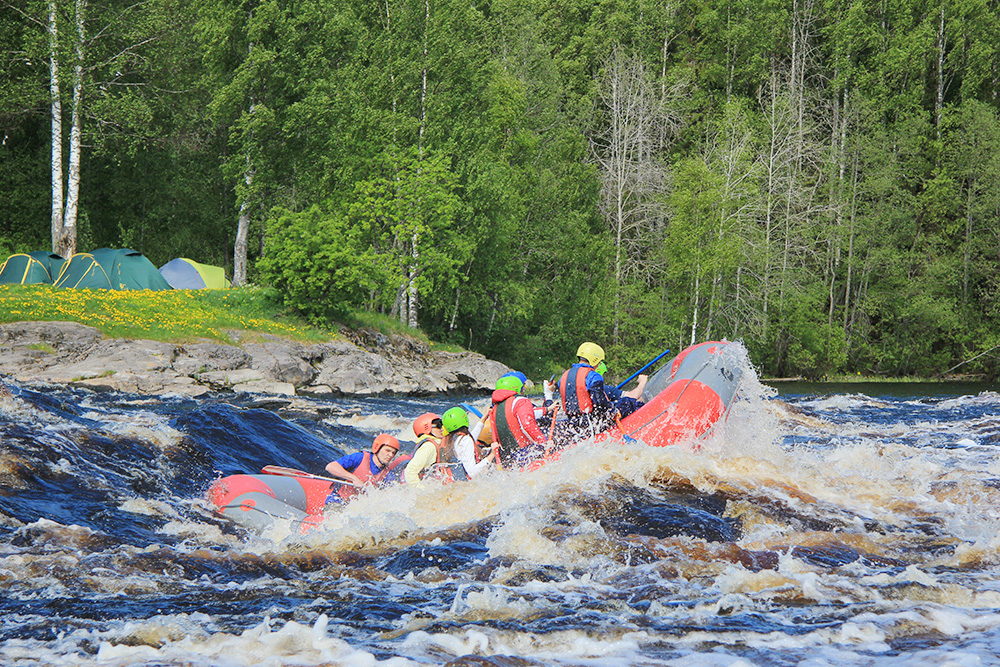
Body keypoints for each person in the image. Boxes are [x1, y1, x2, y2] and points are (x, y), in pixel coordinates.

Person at [557, 341, 647, 438]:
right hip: (593, 423)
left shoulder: (564, 377)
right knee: (627, 402)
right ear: (594, 359)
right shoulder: (593, 376)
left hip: (575, 423)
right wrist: (613, 411)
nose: (598, 365)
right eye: (599, 362)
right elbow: (600, 404)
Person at [488, 374, 549, 466]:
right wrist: (544, 443)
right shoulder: (521, 401)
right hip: (526, 452)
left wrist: (546, 410)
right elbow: (527, 425)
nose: (523, 390)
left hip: (509, 456)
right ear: (516, 388)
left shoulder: (495, 407)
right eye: (522, 387)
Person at [325, 433, 400, 502]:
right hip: (337, 500)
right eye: (387, 450)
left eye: (393, 453)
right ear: (377, 448)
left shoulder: (387, 474)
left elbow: (392, 492)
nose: (390, 455)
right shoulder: (359, 457)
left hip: (354, 509)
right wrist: (354, 479)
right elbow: (330, 467)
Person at [440, 406, 496, 479]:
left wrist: (484, 417)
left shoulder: (455, 440)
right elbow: (472, 472)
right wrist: (492, 455)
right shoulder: (465, 440)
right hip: (469, 483)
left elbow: (472, 437)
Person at [402, 412, 450, 487]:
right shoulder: (429, 446)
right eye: (438, 425)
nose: (442, 429)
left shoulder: (433, 444)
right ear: (427, 428)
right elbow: (410, 471)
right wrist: (423, 492)